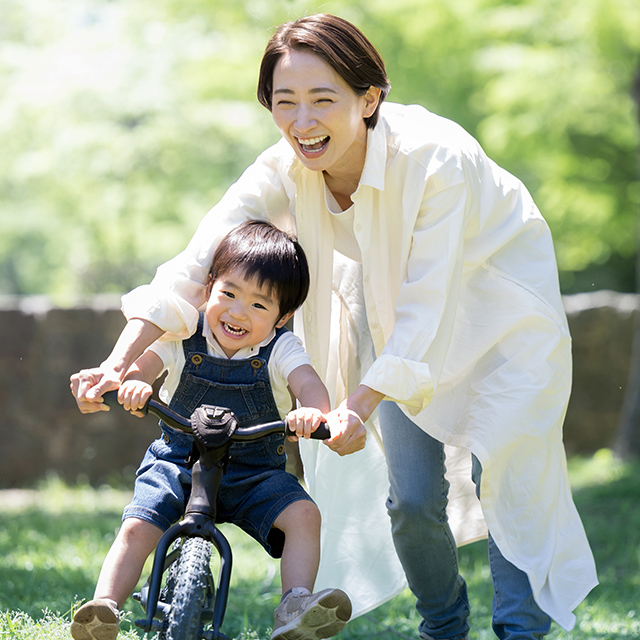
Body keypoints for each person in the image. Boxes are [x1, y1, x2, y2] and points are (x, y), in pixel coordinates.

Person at [70, 13, 598, 640]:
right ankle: (443, 626)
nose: (302, 121)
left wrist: (359, 403)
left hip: (501, 317)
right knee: (411, 500)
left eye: (323, 100)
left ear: (368, 98)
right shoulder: (282, 169)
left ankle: (519, 632)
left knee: (510, 477)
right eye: (284, 102)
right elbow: (196, 268)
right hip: (397, 322)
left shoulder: (437, 159)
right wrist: (118, 362)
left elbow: (431, 304)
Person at [69, 221, 352, 640]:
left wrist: (313, 413)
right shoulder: (183, 335)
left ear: (283, 316)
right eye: (229, 294)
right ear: (207, 288)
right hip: (178, 460)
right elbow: (143, 367)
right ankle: (104, 606)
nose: (238, 313)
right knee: (138, 523)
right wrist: (134, 383)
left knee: (304, 515)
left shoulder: (281, 348)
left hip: (253, 472)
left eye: (259, 306)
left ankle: (294, 604)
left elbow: (309, 384)